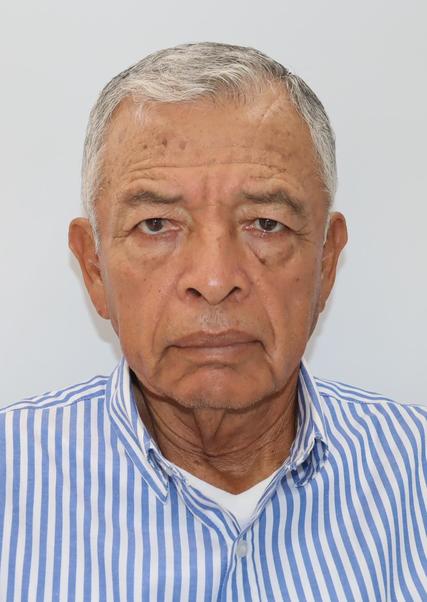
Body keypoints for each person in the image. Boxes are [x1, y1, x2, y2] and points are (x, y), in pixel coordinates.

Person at [0, 42, 425, 602]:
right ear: (94, 267)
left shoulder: (414, 469)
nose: (216, 278)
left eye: (266, 223)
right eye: (156, 224)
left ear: (326, 261)